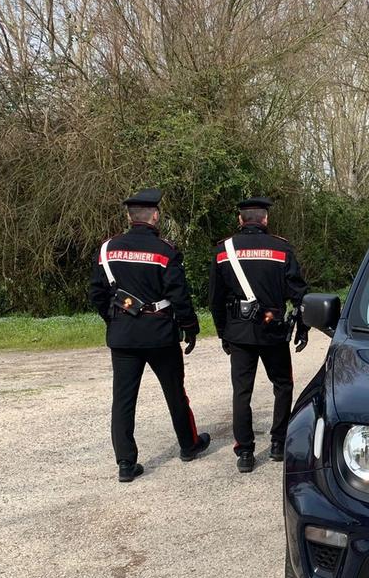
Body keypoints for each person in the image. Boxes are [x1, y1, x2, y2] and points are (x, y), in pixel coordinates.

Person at [89, 188, 211, 482]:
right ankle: (188, 445)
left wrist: (114, 319)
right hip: (160, 334)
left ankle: (125, 464)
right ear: (155, 216)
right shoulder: (165, 251)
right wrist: (190, 327)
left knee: (123, 400)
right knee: (175, 393)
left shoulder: (107, 250)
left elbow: (96, 294)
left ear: (129, 217)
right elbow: (179, 294)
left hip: (123, 336)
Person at [208, 196, 309, 473]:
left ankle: (245, 452)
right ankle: (278, 443)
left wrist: (222, 333)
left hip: (238, 333)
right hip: (273, 330)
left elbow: (215, 299)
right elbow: (299, 294)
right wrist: (303, 326)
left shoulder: (223, 250)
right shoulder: (281, 248)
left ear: (240, 220)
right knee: (283, 386)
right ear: (265, 219)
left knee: (242, 392)